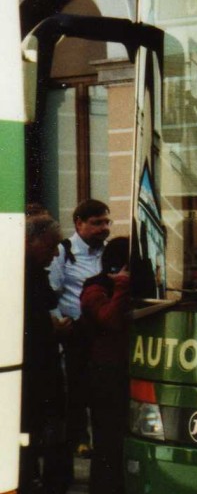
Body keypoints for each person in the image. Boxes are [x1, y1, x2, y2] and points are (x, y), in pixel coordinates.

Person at [79, 237, 151, 494]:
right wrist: (121, 287)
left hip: (125, 372)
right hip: (104, 376)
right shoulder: (94, 288)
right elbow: (109, 319)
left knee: (125, 441)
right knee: (107, 444)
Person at [12, 209, 65, 494]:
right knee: (24, 447)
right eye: (50, 245)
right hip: (28, 376)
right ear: (30, 241)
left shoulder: (29, 270)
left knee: (28, 447)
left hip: (33, 373)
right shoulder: (23, 272)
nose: (56, 253)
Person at [47, 198, 111, 467]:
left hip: (103, 331)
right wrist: (59, 324)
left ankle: (101, 441)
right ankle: (79, 439)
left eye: (106, 222)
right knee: (77, 389)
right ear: (79, 223)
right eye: (96, 223)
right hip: (76, 332)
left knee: (101, 389)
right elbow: (52, 291)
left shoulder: (106, 252)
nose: (104, 228)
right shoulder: (64, 251)